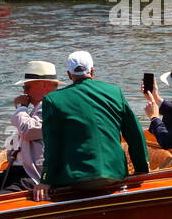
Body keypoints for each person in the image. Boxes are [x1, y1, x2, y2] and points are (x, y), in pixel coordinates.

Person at [34, 51, 150, 200]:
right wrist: (141, 169)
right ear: (93, 71)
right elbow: (135, 134)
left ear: (69, 75)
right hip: (116, 172)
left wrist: (45, 180)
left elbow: (52, 146)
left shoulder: (52, 99)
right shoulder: (115, 92)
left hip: (77, 178)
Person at [0, 60, 61, 198]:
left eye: (27, 87)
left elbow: (28, 131)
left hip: (33, 174)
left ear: (44, 85)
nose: (24, 92)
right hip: (16, 170)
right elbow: (15, 141)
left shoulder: (52, 106)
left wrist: (21, 107)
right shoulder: (34, 110)